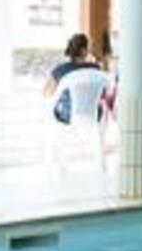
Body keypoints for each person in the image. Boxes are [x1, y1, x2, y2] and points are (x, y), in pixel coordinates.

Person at [43, 34, 113, 175]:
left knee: (55, 111)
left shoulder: (61, 70)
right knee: (100, 111)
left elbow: (46, 93)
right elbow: (105, 90)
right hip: (94, 115)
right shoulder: (96, 68)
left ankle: (59, 164)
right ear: (84, 50)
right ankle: (101, 162)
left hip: (67, 116)